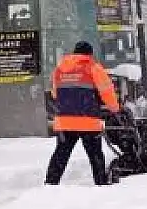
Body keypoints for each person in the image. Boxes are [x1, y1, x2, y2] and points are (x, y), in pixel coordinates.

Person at [45, 41, 120, 186]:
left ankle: (50, 183)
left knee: (61, 154)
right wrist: (115, 109)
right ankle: (100, 183)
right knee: (95, 155)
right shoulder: (93, 68)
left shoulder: (60, 69)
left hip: (64, 121)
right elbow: (106, 91)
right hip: (88, 121)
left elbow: (55, 94)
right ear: (89, 54)